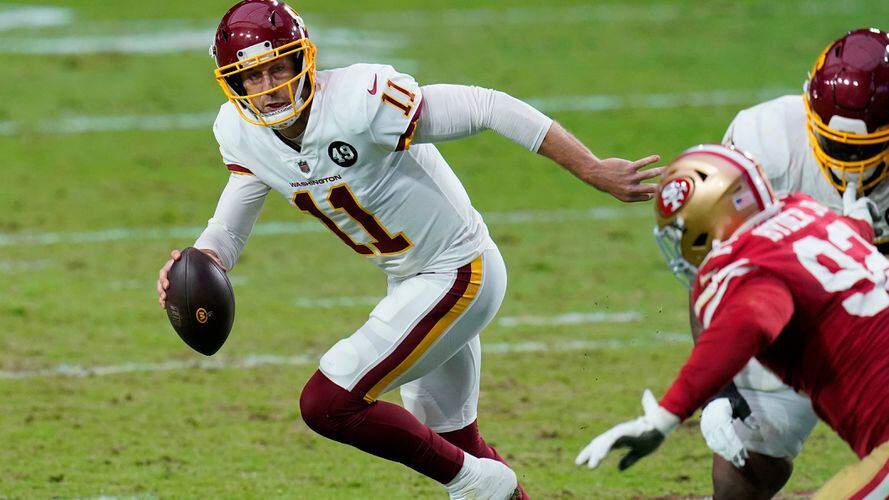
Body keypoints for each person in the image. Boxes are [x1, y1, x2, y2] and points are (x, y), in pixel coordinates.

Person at [155, 1, 661, 498]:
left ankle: (475, 482)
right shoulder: (242, 134)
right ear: (234, 82)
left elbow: (489, 106)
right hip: (412, 280)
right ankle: (482, 482)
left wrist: (591, 168)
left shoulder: (360, 101)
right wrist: (199, 263)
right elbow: (230, 226)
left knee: (327, 402)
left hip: (459, 271)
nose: (268, 88)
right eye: (253, 77)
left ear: (300, 58)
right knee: (452, 442)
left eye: (277, 67)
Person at [574, 144, 889, 499]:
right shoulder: (812, 217)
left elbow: (750, 323)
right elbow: (853, 229)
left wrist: (660, 420)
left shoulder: (747, 266)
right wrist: (861, 217)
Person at [686, 27, 889, 499]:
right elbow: (717, 273)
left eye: (865, 150)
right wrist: (721, 389)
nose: (850, 165)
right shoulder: (765, 142)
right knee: (747, 450)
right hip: (796, 323)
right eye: (837, 145)